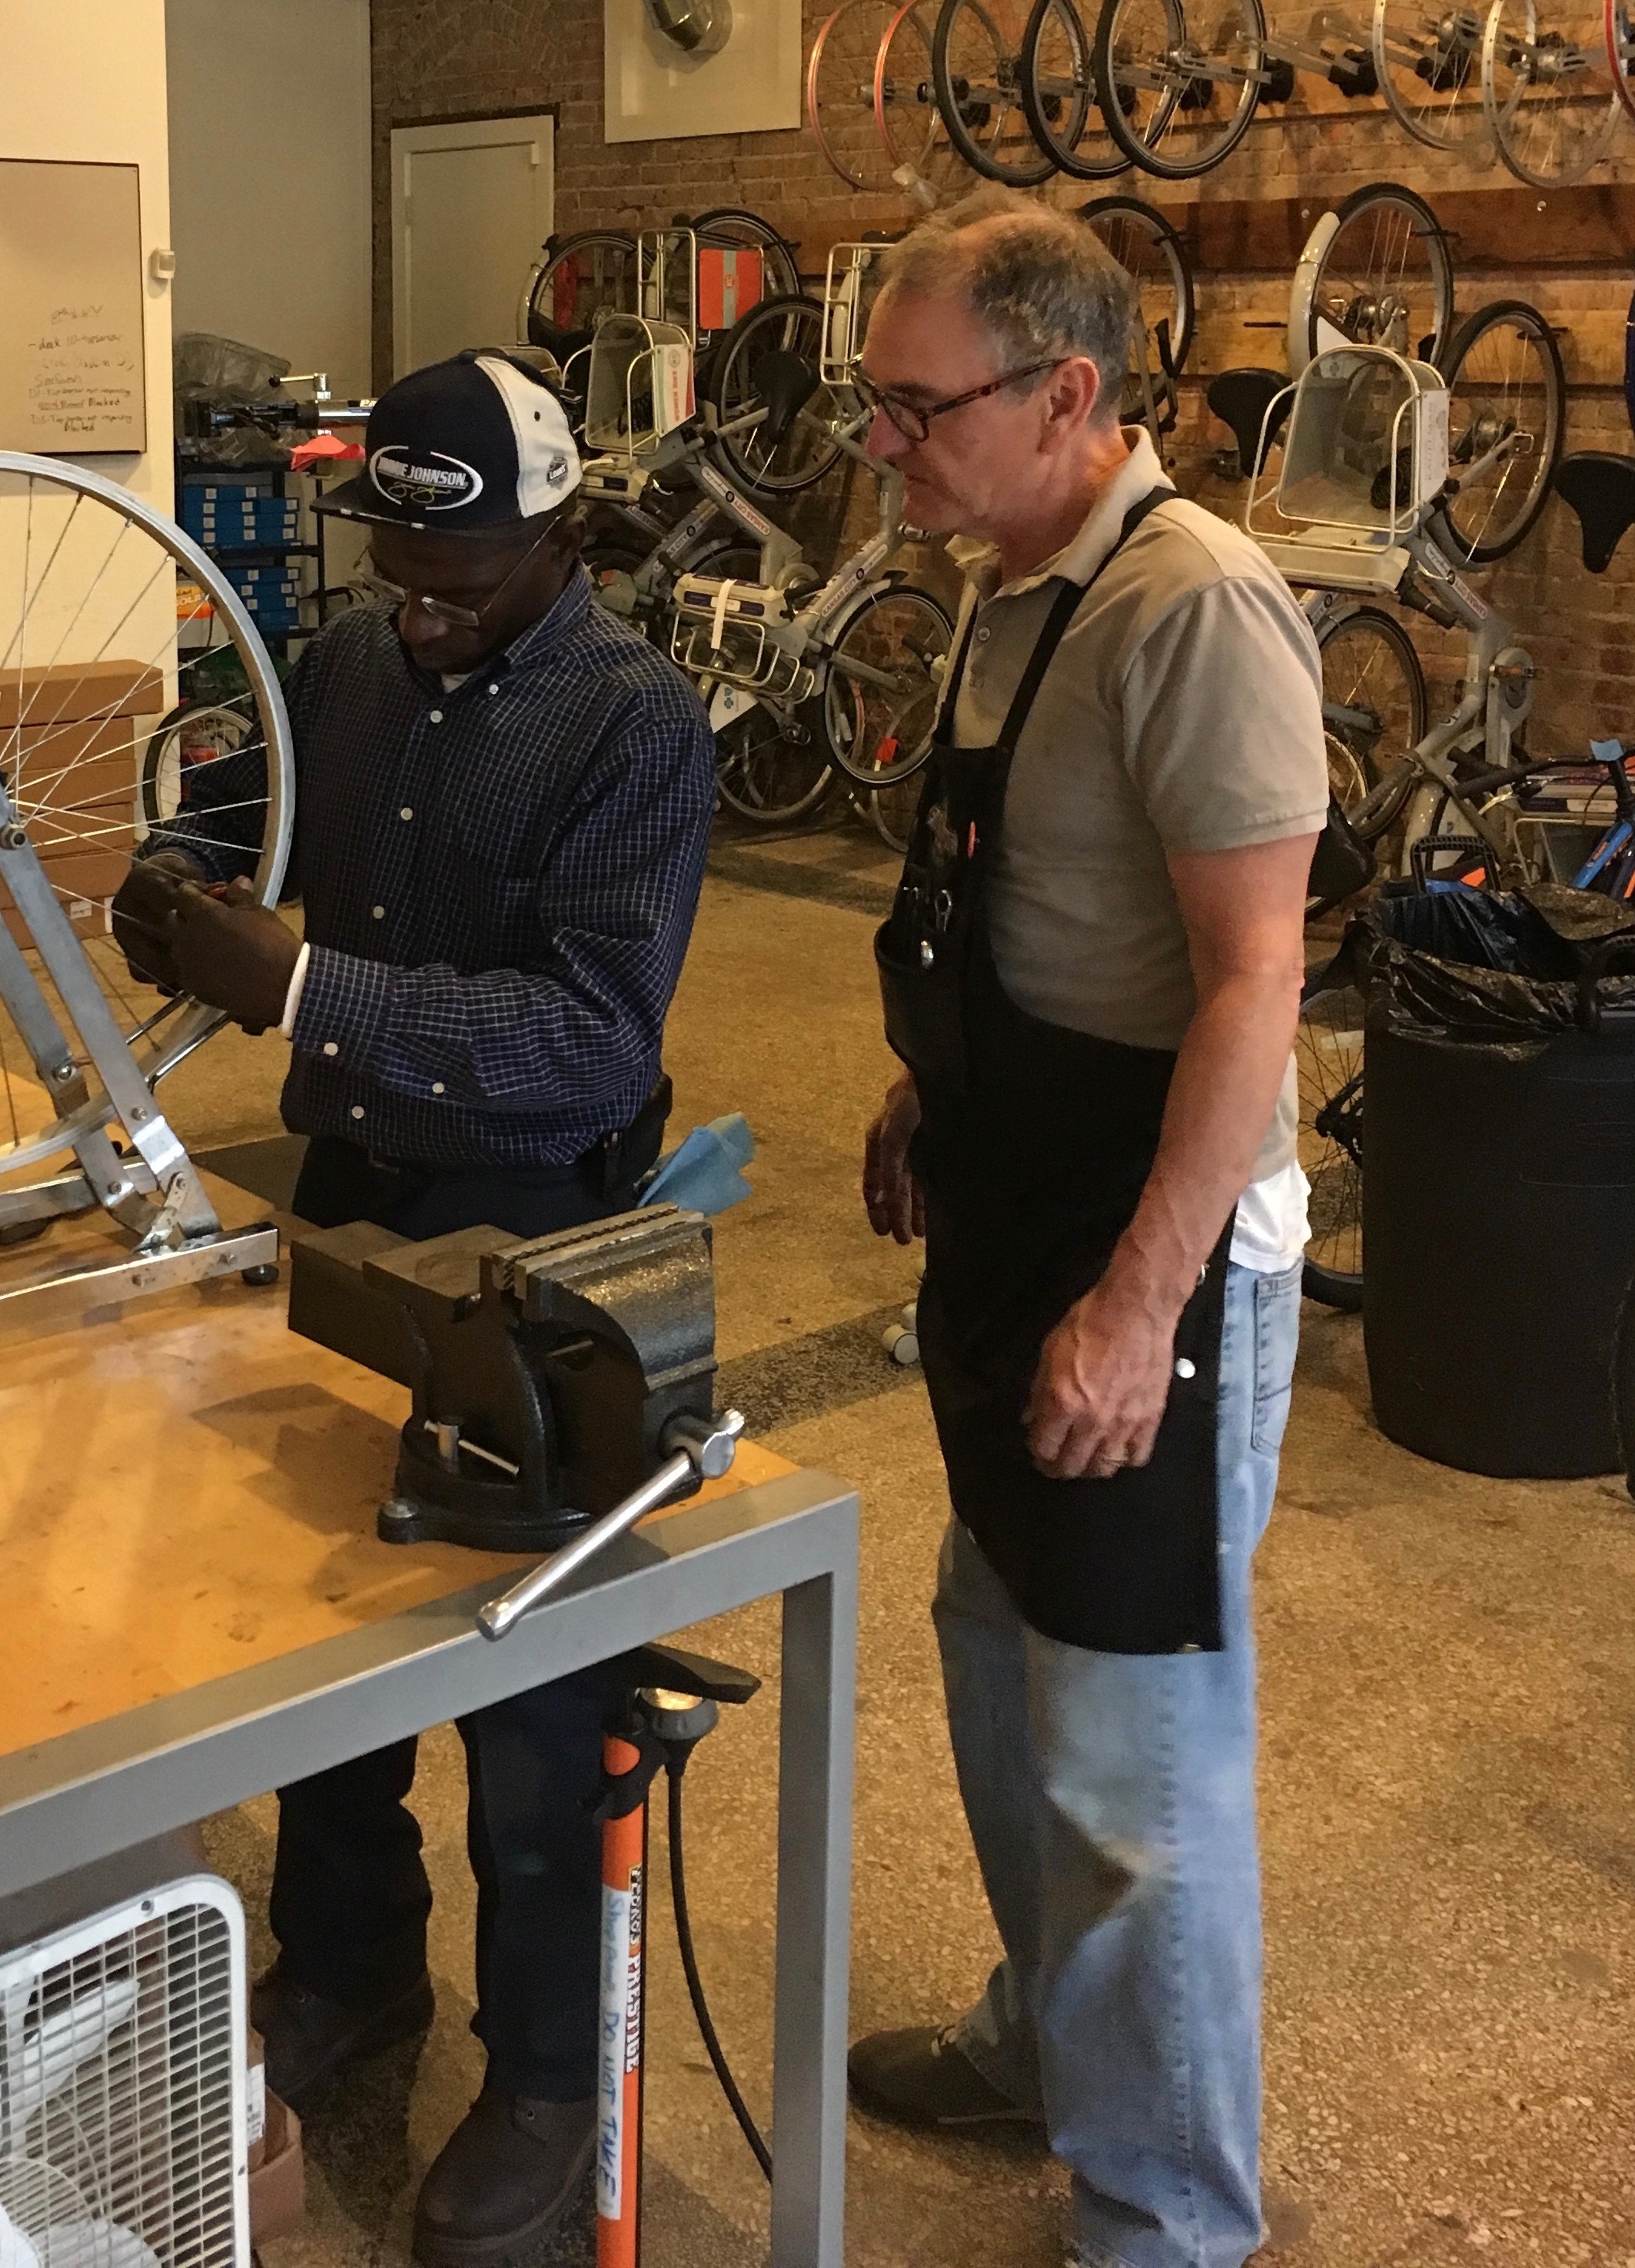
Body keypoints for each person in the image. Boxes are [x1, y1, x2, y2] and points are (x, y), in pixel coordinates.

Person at [112, 351, 714, 2268]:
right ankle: (352, 1961)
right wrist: (179, 880)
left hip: (541, 1235)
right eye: (395, 571)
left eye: (459, 580)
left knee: (534, 1685)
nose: (421, 610)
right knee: (328, 1633)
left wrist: (306, 994)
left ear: (563, 537)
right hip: (358, 1192)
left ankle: (546, 2072)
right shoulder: (358, 663)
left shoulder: (636, 723)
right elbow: (252, 826)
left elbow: (592, 1039)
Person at [849, 191, 1328, 2268]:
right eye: (875, 405)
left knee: (1135, 1756)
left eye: (916, 407)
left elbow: (1252, 982)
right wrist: (928, 1087)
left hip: (1152, 1247)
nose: (884, 446)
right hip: (1013, 1204)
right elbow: (1027, 897)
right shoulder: (1009, 588)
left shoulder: (1191, 605)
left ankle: (1167, 2216)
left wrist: (1140, 1308)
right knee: (996, 1654)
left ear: (1064, 394)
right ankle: (1053, 2042)